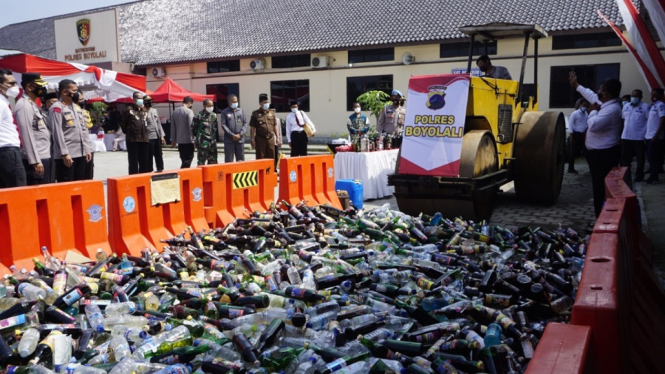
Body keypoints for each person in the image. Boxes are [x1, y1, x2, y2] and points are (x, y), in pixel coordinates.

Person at [569, 72, 622, 217]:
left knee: (600, 188)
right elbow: (591, 96)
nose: (598, 92)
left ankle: (603, 217)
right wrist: (577, 86)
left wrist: (592, 112)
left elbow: (593, 126)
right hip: (598, 154)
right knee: (598, 186)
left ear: (606, 93)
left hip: (604, 155)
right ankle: (600, 215)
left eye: (601, 89)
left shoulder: (611, 109)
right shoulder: (605, 104)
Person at [50, 79, 92, 182]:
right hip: (67, 155)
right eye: (74, 91)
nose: (77, 93)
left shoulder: (76, 107)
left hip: (81, 153)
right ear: (65, 92)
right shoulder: (57, 108)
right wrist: (64, 153)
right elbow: (57, 132)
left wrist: (86, 148)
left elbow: (83, 129)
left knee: (80, 184)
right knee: (67, 186)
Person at [14, 72, 52, 185]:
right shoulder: (24, 105)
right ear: (29, 87)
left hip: (43, 155)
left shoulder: (33, 104)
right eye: (39, 86)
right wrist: (34, 160)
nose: (42, 88)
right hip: (36, 159)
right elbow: (26, 134)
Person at [0, 69, 27, 188]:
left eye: (15, 83)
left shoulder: (5, 101)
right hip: (7, 151)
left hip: (9, 151)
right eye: (11, 83)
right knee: (18, 189)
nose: (15, 86)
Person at [621, 90, 649, 182]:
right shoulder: (626, 106)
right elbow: (624, 119)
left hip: (639, 137)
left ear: (640, 97)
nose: (634, 98)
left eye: (636, 96)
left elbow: (649, 121)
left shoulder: (645, 107)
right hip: (626, 136)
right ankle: (626, 176)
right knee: (626, 159)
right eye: (633, 96)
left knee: (640, 158)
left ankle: (639, 176)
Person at [120, 92, 151, 175]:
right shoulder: (128, 109)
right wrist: (129, 131)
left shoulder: (144, 110)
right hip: (133, 139)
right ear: (134, 99)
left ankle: (143, 178)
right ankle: (133, 178)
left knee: (144, 161)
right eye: (139, 98)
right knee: (133, 161)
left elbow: (147, 122)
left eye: (142, 98)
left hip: (144, 139)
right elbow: (123, 123)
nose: (141, 100)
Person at [249, 93, 281, 160]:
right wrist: (252, 139)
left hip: (270, 139)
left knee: (271, 157)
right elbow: (252, 127)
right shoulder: (255, 114)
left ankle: (270, 170)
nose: (267, 104)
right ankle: (261, 170)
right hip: (260, 139)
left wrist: (278, 137)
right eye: (265, 102)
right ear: (260, 103)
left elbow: (275, 125)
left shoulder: (272, 113)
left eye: (268, 102)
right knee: (261, 157)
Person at [645, 88, 665, 184]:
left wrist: (656, 135)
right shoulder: (653, 106)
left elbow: (662, 120)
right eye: (652, 94)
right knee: (650, 156)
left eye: (655, 94)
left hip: (655, 136)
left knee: (654, 157)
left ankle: (654, 176)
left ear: (661, 95)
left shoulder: (661, 105)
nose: (653, 96)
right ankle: (653, 175)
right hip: (649, 135)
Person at [220, 94, 247, 162]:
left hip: (240, 139)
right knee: (229, 160)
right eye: (233, 101)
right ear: (229, 102)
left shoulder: (241, 111)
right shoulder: (224, 112)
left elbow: (245, 123)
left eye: (236, 101)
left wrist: (240, 134)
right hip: (229, 140)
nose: (235, 103)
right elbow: (223, 125)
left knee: (240, 159)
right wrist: (232, 135)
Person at [192, 99, 218, 165]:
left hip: (212, 143)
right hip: (202, 144)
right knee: (201, 162)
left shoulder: (214, 115)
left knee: (213, 162)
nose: (211, 107)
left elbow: (215, 128)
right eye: (209, 106)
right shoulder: (198, 116)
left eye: (212, 105)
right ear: (204, 106)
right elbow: (194, 129)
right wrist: (199, 137)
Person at [171, 96, 195, 168]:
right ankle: (183, 173)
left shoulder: (175, 111)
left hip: (180, 140)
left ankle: (183, 172)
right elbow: (191, 126)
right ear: (190, 103)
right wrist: (194, 139)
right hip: (188, 140)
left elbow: (173, 127)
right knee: (189, 158)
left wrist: (173, 139)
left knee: (183, 158)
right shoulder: (189, 111)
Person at [144, 96, 166, 172]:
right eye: (147, 101)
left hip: (157, 135)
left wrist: (162, 135)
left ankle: (160, 168)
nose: (149, 102)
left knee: (159, 153)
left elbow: (158, 123)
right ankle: (149, 169)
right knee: (149, 154)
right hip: (148, 136)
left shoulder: (154, 110)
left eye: (150, 101)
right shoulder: (142, 112)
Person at [567, 98, 588, 174]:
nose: (585, 107)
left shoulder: (585, 113)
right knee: (573, 152)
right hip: (576, 134)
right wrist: (572, 135)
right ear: (580, 105)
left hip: (584, 134)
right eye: (583, 105)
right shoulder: (575, 113)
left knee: (586, 151)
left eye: (586, 105)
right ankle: (570, 168)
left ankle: (590, 168)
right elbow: (571, 125)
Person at [77, 95, 95, 180]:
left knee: (89, 172)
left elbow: (88, 125)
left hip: (88, 143)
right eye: (80, 99)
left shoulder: (85, 112)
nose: (82, 101)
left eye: (83, 99)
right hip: (77, 147)